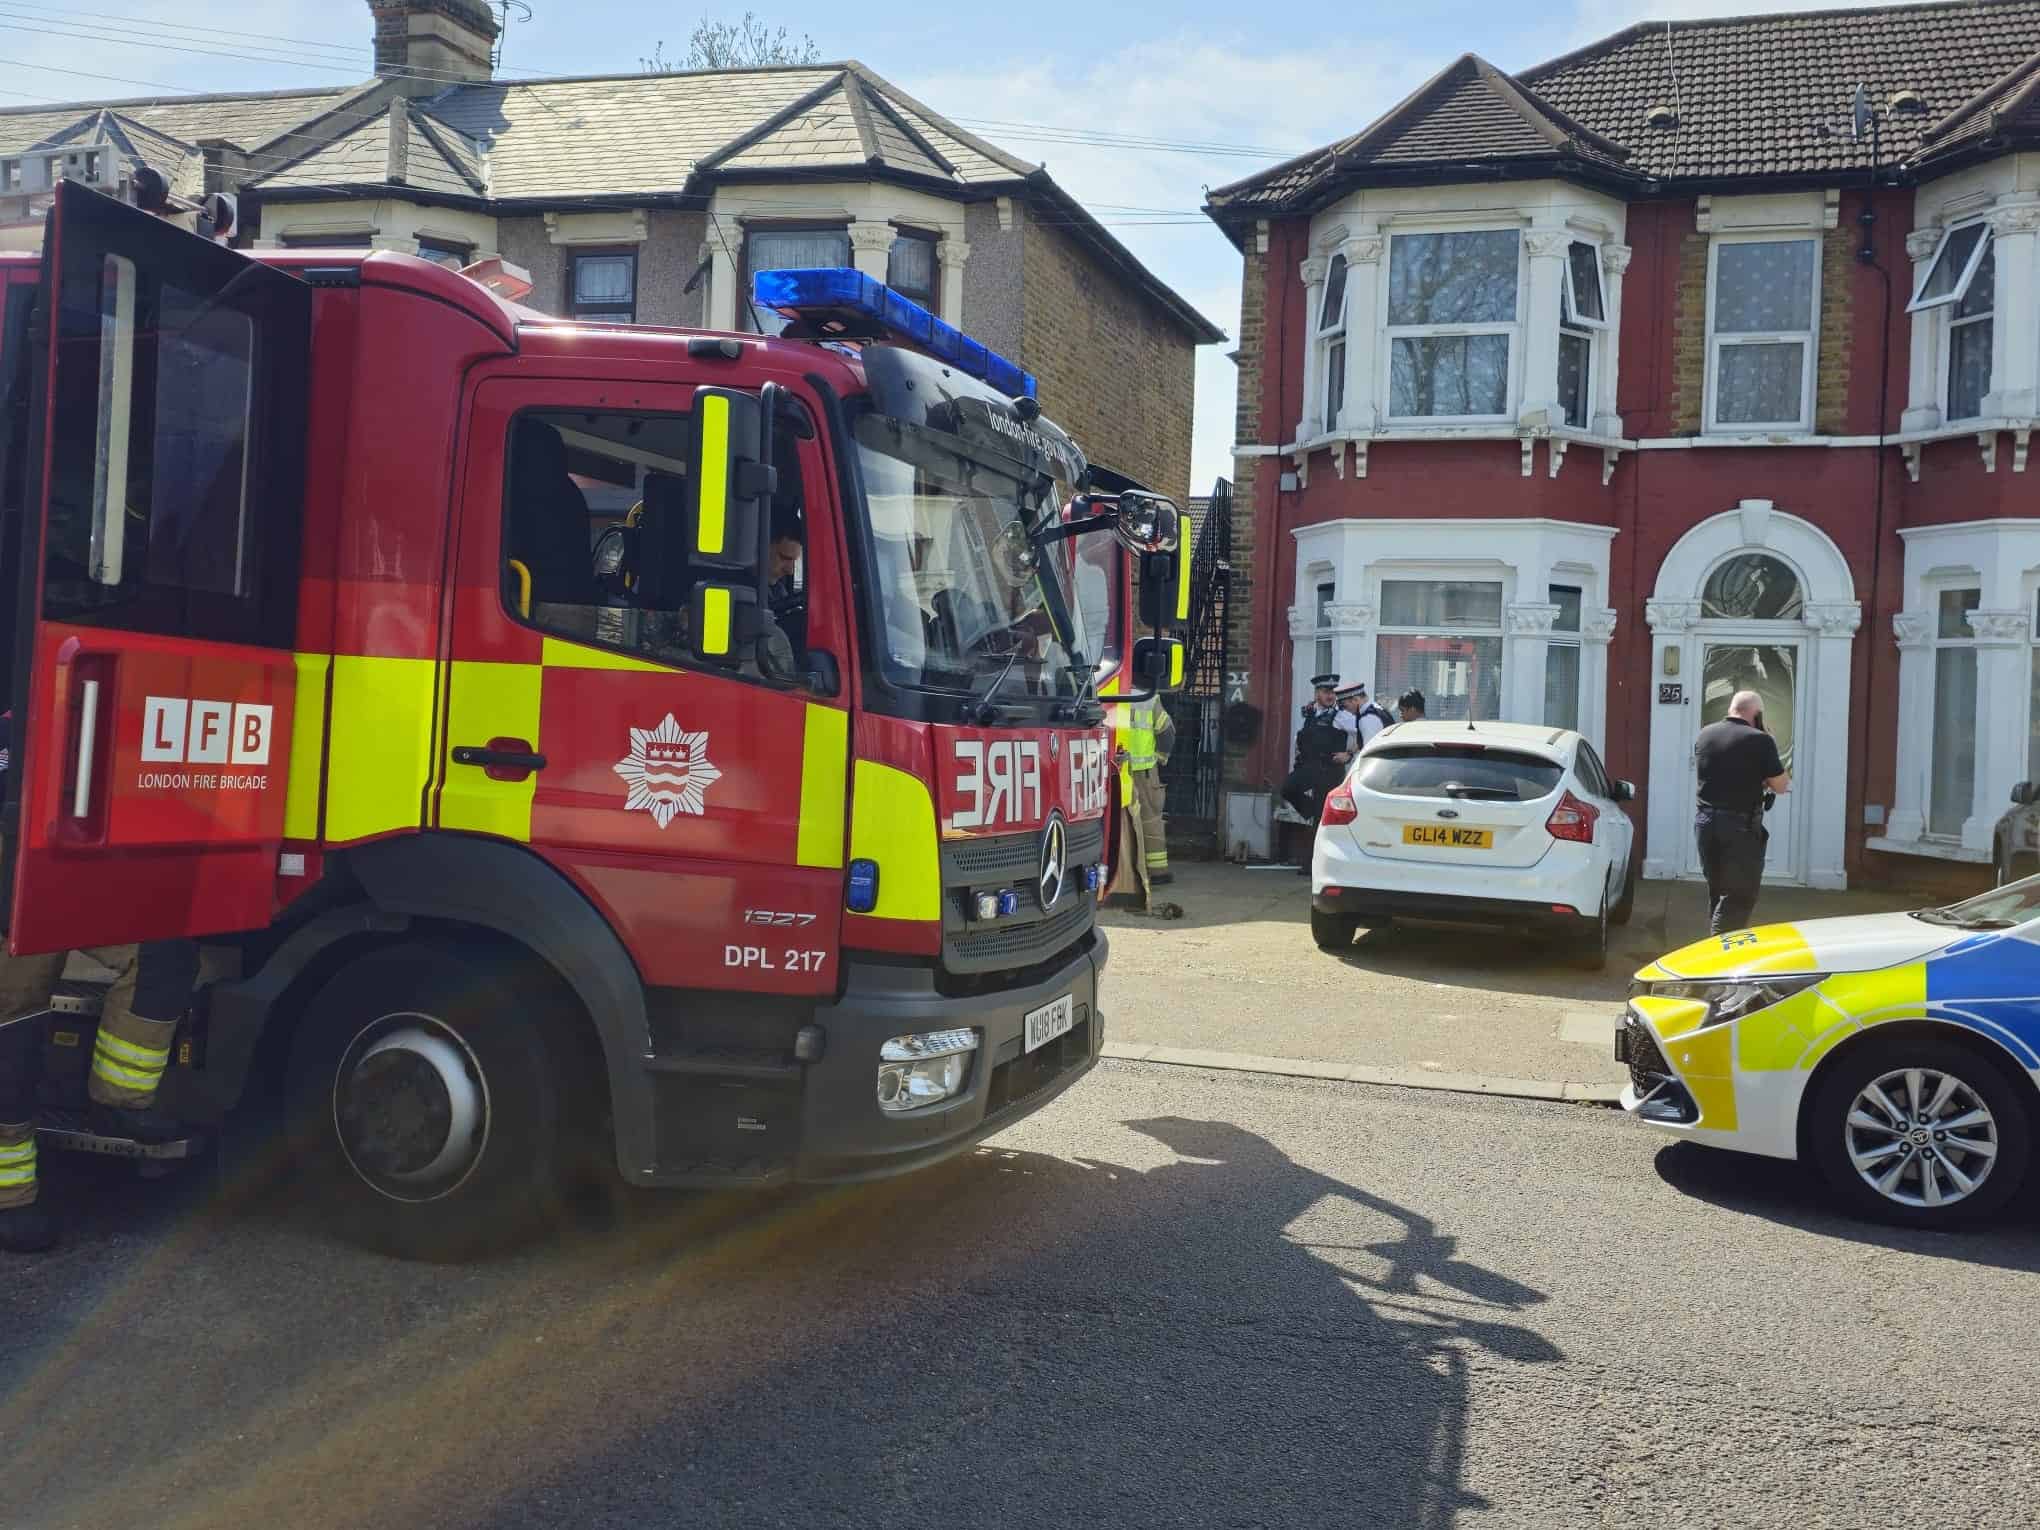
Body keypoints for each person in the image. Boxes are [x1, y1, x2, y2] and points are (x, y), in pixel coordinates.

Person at [0, 709, 200, 1254]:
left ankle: (120, 1101)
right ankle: (10, 1200)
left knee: (163, 953)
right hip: (11, 904)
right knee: (12, 1028)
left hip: (60, 880)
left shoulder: (39, 700)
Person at [1693, 689, 1791, 936]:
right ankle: (1720, 957)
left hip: (1705, 823)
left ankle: (1714, 952)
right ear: (1757, 714)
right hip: (1739, 827)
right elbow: (1780, 786)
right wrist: (1768, 742)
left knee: (1718, 892)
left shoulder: (1705, 734)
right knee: (1739, 896)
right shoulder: (1761, 740)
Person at [1282, 674, 1357, 837]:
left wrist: (1349, 754)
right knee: (1287, 788)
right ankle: (1311, 810)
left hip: (1329, 772)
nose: (1330, 696)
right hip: (1310, 768)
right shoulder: (1310, 712)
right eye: (1325, 691)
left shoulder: (1341, 716)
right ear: (1317, 694)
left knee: (1320, 823)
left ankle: (1313, 860)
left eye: (1333, 692)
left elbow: (1365, 733)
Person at [1336, 681, 1396, 756]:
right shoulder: (1377, 708)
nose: (1346, 710)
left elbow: (1369, 752)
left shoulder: (1367, 719)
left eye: (1345, 706)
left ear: (1355, 700)